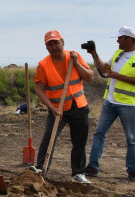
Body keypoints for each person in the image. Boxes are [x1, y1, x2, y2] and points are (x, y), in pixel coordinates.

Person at [85, 26, 135, 182]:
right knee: (99, 133)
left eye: (120, 38)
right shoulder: (118, 54)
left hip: (128, 104)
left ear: (128, 39)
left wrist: (119, 77)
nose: (117, 41)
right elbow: (104, 68)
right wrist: (94, 53)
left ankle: (132, 171)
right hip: (110, 102)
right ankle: (93, 167)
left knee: (131, 138)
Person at [31, 30, 94, 184]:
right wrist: (51, 108)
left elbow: (89, 77)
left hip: (78, 105)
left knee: (79, 140)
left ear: (62, 42)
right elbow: (39, 89)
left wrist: (77, 63)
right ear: (46, 47)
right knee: (48, 138)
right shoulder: (43, 65)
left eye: (56, 42)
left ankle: (78, 173)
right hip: (57, 109)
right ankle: (41, 168)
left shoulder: (74, 57)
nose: (53, 47)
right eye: (50, 44)